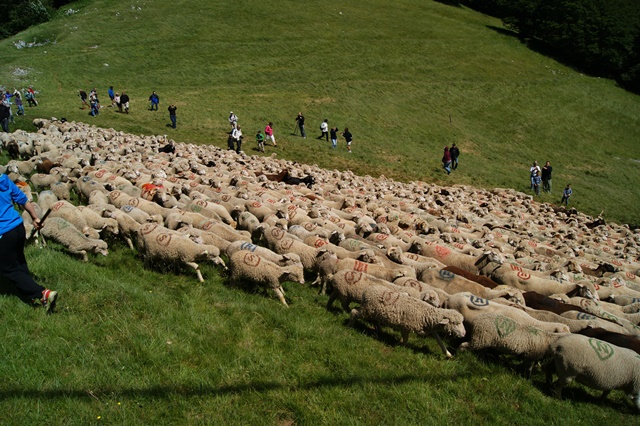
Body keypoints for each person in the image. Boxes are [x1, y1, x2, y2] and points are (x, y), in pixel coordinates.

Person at [0, 173, 58, 312]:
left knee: (7, 269)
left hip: (4, 233)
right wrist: (35, 218)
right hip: (18, 228)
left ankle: (42, 294)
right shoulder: (3, 179)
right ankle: (28, 293)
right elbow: (23, 200)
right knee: (19, 260)